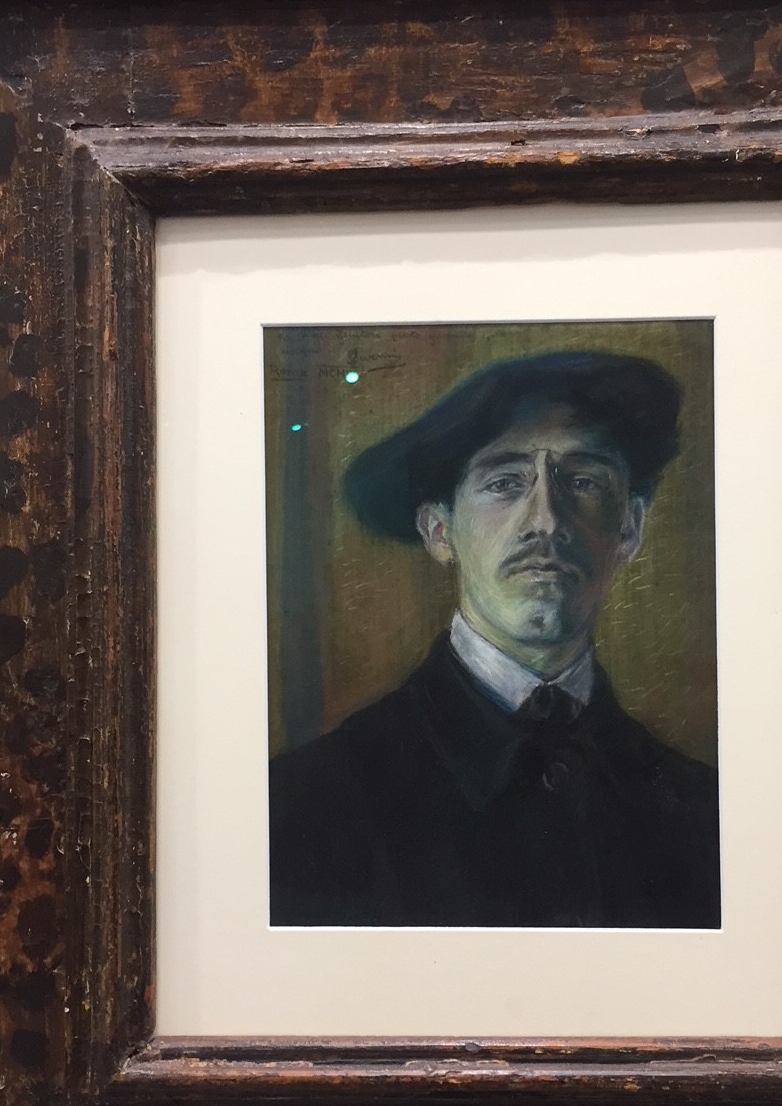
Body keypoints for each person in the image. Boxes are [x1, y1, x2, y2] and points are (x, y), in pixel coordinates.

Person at [269, 349, 720, 928]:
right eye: (505, 483)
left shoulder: (702, 810)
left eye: (583, 481)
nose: (547, 521)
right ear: (439, 530)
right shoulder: (309, 803)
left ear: (629, 527)